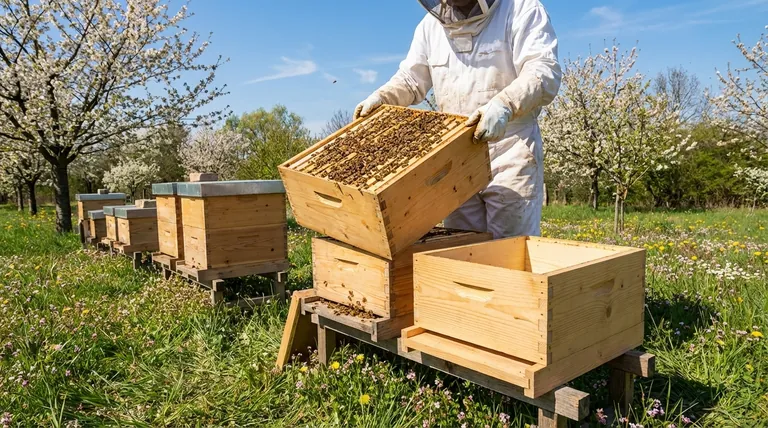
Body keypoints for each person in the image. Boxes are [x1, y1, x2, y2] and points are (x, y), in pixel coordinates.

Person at [353, 0, 561, 239]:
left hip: (510, 150)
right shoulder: (430, 27)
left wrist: (505, 104)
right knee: (460, 249)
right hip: (456, 157)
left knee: (510, 251)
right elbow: (411, 79)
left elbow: (544, 72)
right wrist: (383, 96)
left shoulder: (522, 9)